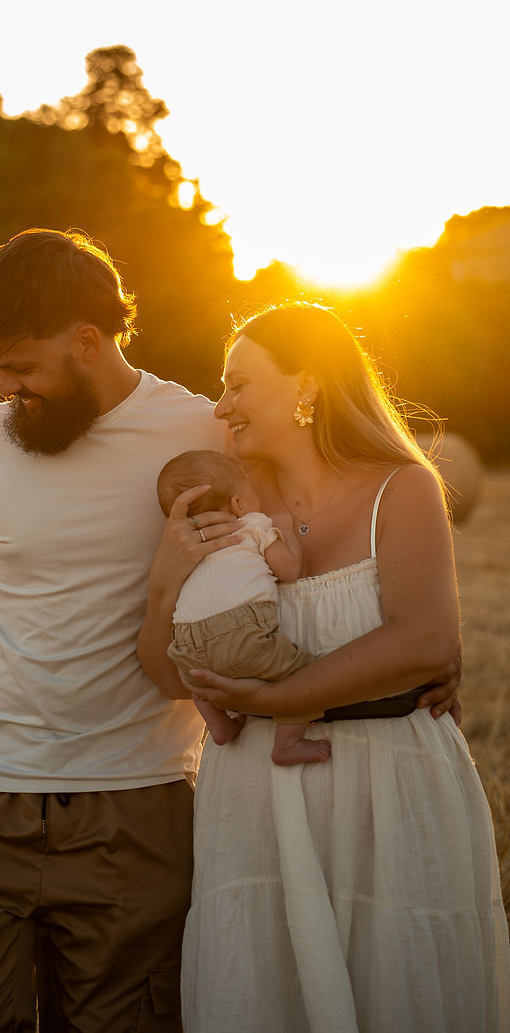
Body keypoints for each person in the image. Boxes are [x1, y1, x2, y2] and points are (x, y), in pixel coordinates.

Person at [0, 228, 233, 1033]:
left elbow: (298, 541)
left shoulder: (202, 431)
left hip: (135, 808)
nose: (6, 384)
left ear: (88, 341)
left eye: (21, 364)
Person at [138, 302, 510, 1033]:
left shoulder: (401, 487)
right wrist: (161, 584)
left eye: (239, 383)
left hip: (389, 786)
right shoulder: (225, 504)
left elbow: (427, 641)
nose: (221, 404)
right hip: (254, 802)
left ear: (305, 386)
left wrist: (273, 697)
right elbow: (169, 673)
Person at [157, 448, 331, 766]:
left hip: (186, 647)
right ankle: (287, 745)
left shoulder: (187, 545)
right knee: (306, 677)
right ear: (238, 503)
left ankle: (219, 724)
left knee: (197, 682)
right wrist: (286, 532)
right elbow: (289, 569)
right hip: (242, 633)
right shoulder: (252, 523)